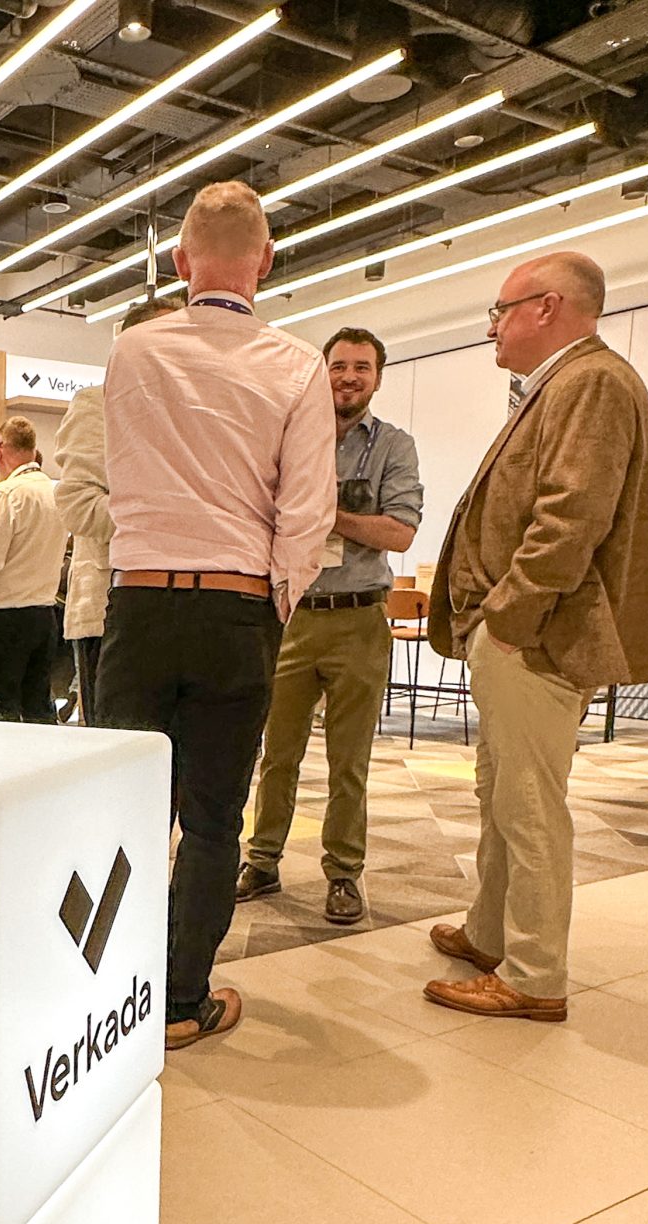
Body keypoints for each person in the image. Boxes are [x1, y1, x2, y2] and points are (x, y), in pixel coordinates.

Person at [96, 180, 334, 1049]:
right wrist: (272, 606)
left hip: (138, 604)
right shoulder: (297, 364)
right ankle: (177, 1002)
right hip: (236, 607)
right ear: (266, 260)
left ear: (178, 260)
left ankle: (107, 992)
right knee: (211, 819)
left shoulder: (132, 351)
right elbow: (306, 512)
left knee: (121, 813)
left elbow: (120, 473)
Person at [423, 250, 648, 1021]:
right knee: (502, 792)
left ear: (547, 307)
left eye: (501, 310)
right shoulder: (567, 382)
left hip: (537, 637)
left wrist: (508, 619)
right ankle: (491, 932)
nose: (493, 326)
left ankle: (532, 975)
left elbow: (571, 518)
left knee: (528, 805)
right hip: (524, 634)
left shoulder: (591, 381)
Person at [237, 327, 422, 925]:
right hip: (291, 617)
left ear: (378, 377)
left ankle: (343, 873)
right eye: (339, 366)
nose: (348, 377)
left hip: (360, 620)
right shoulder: (292, 436)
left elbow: (400, 531)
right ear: (322, 372)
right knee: (277, 754)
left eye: (361, 367)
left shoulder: (393, 445)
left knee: (349, 761)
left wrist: (323, 514)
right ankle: (262, 860)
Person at [54, 300, 176, 726]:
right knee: (119, 745)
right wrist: (167, 517)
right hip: (109, 611)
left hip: (185, 609)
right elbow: (78, 506)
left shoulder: (192, 413)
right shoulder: (96, 404)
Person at [0, 417, 68, 723]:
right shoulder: (56, 492)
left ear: (0, 448)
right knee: (38, 707)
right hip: (44, 614)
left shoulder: (6, 493)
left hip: (4, 616)